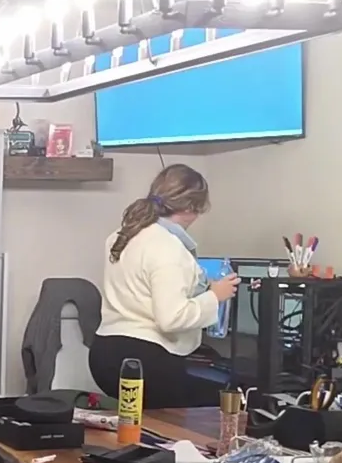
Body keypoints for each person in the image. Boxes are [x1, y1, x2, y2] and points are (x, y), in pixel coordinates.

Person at [88, 164, 240, 408]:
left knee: (138, 421)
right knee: (228, 399)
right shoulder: (168, 247)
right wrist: (215, 296)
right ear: (192, 207)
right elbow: (171, 318)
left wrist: (199, 289)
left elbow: (141, 290)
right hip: (147, 360)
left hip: (105, 355)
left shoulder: (121, 236)